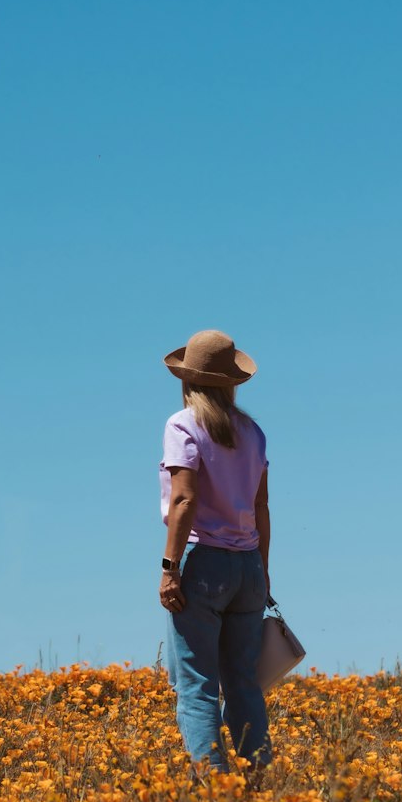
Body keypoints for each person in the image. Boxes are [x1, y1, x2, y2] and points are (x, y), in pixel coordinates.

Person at [159, 329, 272, 775]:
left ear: (189, 380)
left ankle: (212, 788)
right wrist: (263, 572)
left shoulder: (182, 425)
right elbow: (262, 506)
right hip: (247, 565)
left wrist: (170, 568)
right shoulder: (254, 433)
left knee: (197, 685)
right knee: (243, 682)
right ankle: (257, 776)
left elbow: (184, 500)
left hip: (203, 561)